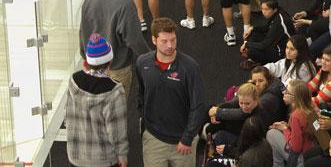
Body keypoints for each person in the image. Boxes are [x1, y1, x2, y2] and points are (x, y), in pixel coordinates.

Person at [136, 18, 205, 166]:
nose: (170, 45)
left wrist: (187, 138)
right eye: (164, 41)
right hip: (153, 139)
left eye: (173, 40)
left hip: (183, 141)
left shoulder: (190, 67)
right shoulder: (142, 62)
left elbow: (198, 105)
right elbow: (141, 94)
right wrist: (143, 121)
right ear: (154, 40)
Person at [79, 0, 149, 97]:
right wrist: (149, 57)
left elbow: (82, 30)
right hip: (118, 66)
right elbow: (133, 39)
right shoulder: (126, 4)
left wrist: (84, 55)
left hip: (92, 65)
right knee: (116, 109)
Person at [66, 34, 128, 167]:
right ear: (110, 60)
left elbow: (68, 116)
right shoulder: (115, 91)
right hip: (103, 160)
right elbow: (117, 131)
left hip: (75, 156)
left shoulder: (73, 80)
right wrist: (122, 155)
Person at [266, 80, 319, 167]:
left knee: (271, 134)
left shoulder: (296, 116)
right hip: (312, 151)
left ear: (295, 98)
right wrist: (288, 126)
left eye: (287, 92)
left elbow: (295, 147)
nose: (284, 93)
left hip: (301, 158)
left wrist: (285, 129)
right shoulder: (311, 106)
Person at [207, 82, 276, 139]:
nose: (244, 107)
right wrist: (215, 111)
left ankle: (207, 133)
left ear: (256, 100)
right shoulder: (245, 101)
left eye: (247, 104)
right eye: (241, 103)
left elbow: (250, 141)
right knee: (212, 108)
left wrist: (217, 112)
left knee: (221, 134)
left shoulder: (258, 116)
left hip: (249, 141)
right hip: (240, 132)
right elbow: (228, 104)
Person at [241, 0, 294, 68]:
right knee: (252, 33)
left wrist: (247, 44)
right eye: (262, 8)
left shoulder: (278, 24)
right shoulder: (277, 12)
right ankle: (254, 57)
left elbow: (264, 45)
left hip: (281, 53)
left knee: (251, 51)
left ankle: (258, 61)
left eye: (266, 9)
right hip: (275, 42)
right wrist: (252, 28)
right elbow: (266, 28)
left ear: (274, 10)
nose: (263, 12)